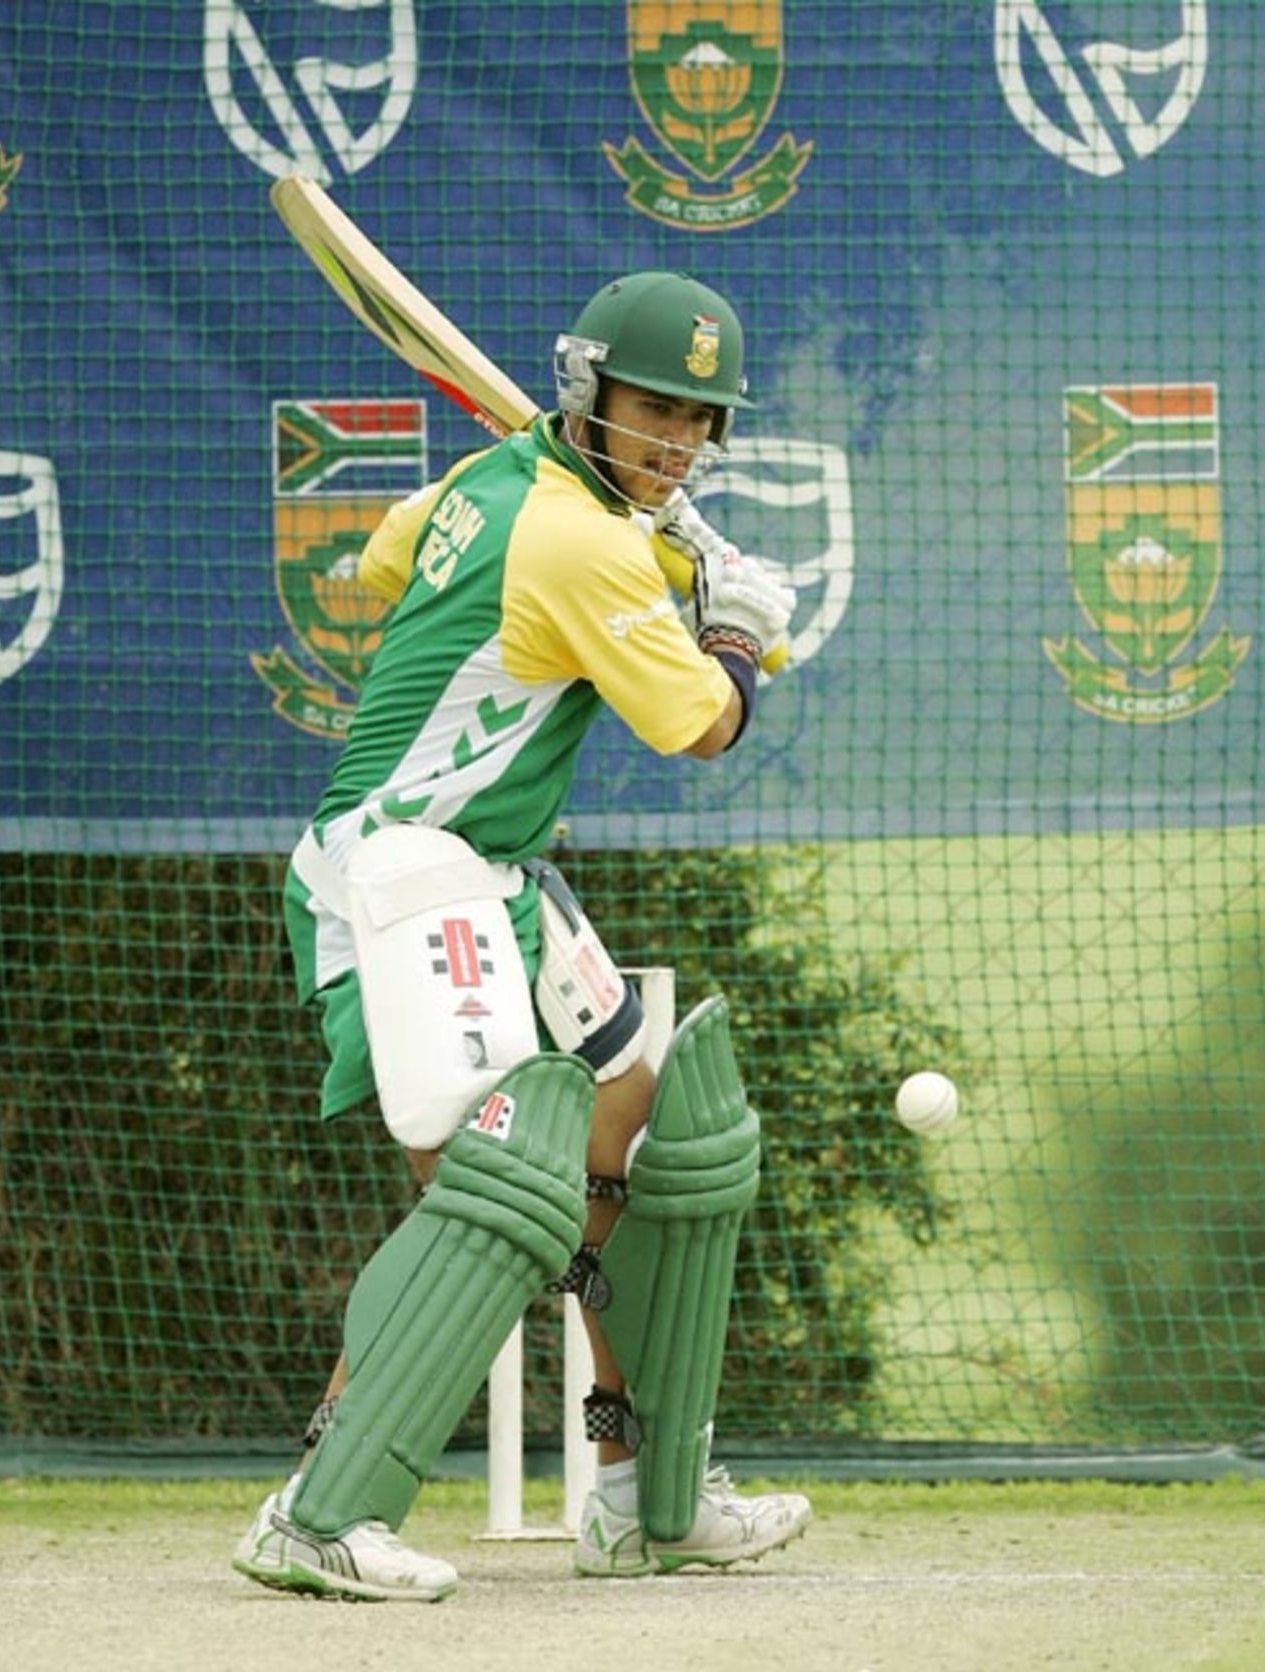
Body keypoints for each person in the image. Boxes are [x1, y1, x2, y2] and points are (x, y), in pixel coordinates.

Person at [232, 270, 811, 1602]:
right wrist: (727, 625)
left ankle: (635, 1490)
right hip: (397, 875)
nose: (676, 444)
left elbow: (383, 559)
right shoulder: (578, 539)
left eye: (699, 422)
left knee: (634, 1133)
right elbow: (700, 724)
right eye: (652, 411)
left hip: (489, 867)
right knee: (501, 1197)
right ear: (588, 393)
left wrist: (632, 539)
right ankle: (321, 1504)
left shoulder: (500, 485)